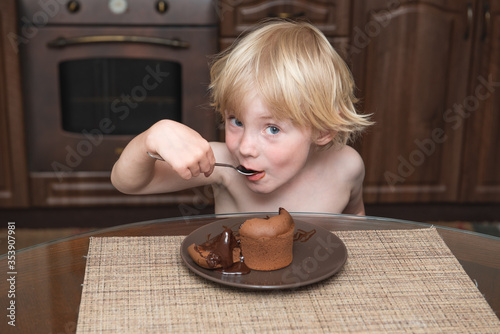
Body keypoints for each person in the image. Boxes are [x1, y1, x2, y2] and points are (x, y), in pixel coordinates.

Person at [111, 20, 373, 215]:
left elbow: (356, 222)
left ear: (323, 130)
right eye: (237, 121)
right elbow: (128, 184)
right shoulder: (220, 164)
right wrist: (151, 138)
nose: (245, 148)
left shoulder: (347, 167)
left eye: (272, 129)